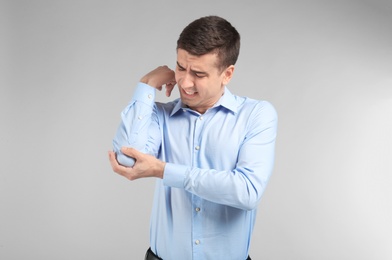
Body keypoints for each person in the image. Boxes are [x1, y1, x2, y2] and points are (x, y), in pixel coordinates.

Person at [108, 15, 278, 260]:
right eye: (180, 67)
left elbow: (247, 191)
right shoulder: (160, 115)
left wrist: (164, 170)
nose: (185, 82)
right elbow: (127, 160)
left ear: (227, 74)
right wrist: (146, 85)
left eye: (198, 73)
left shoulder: (256, 115)